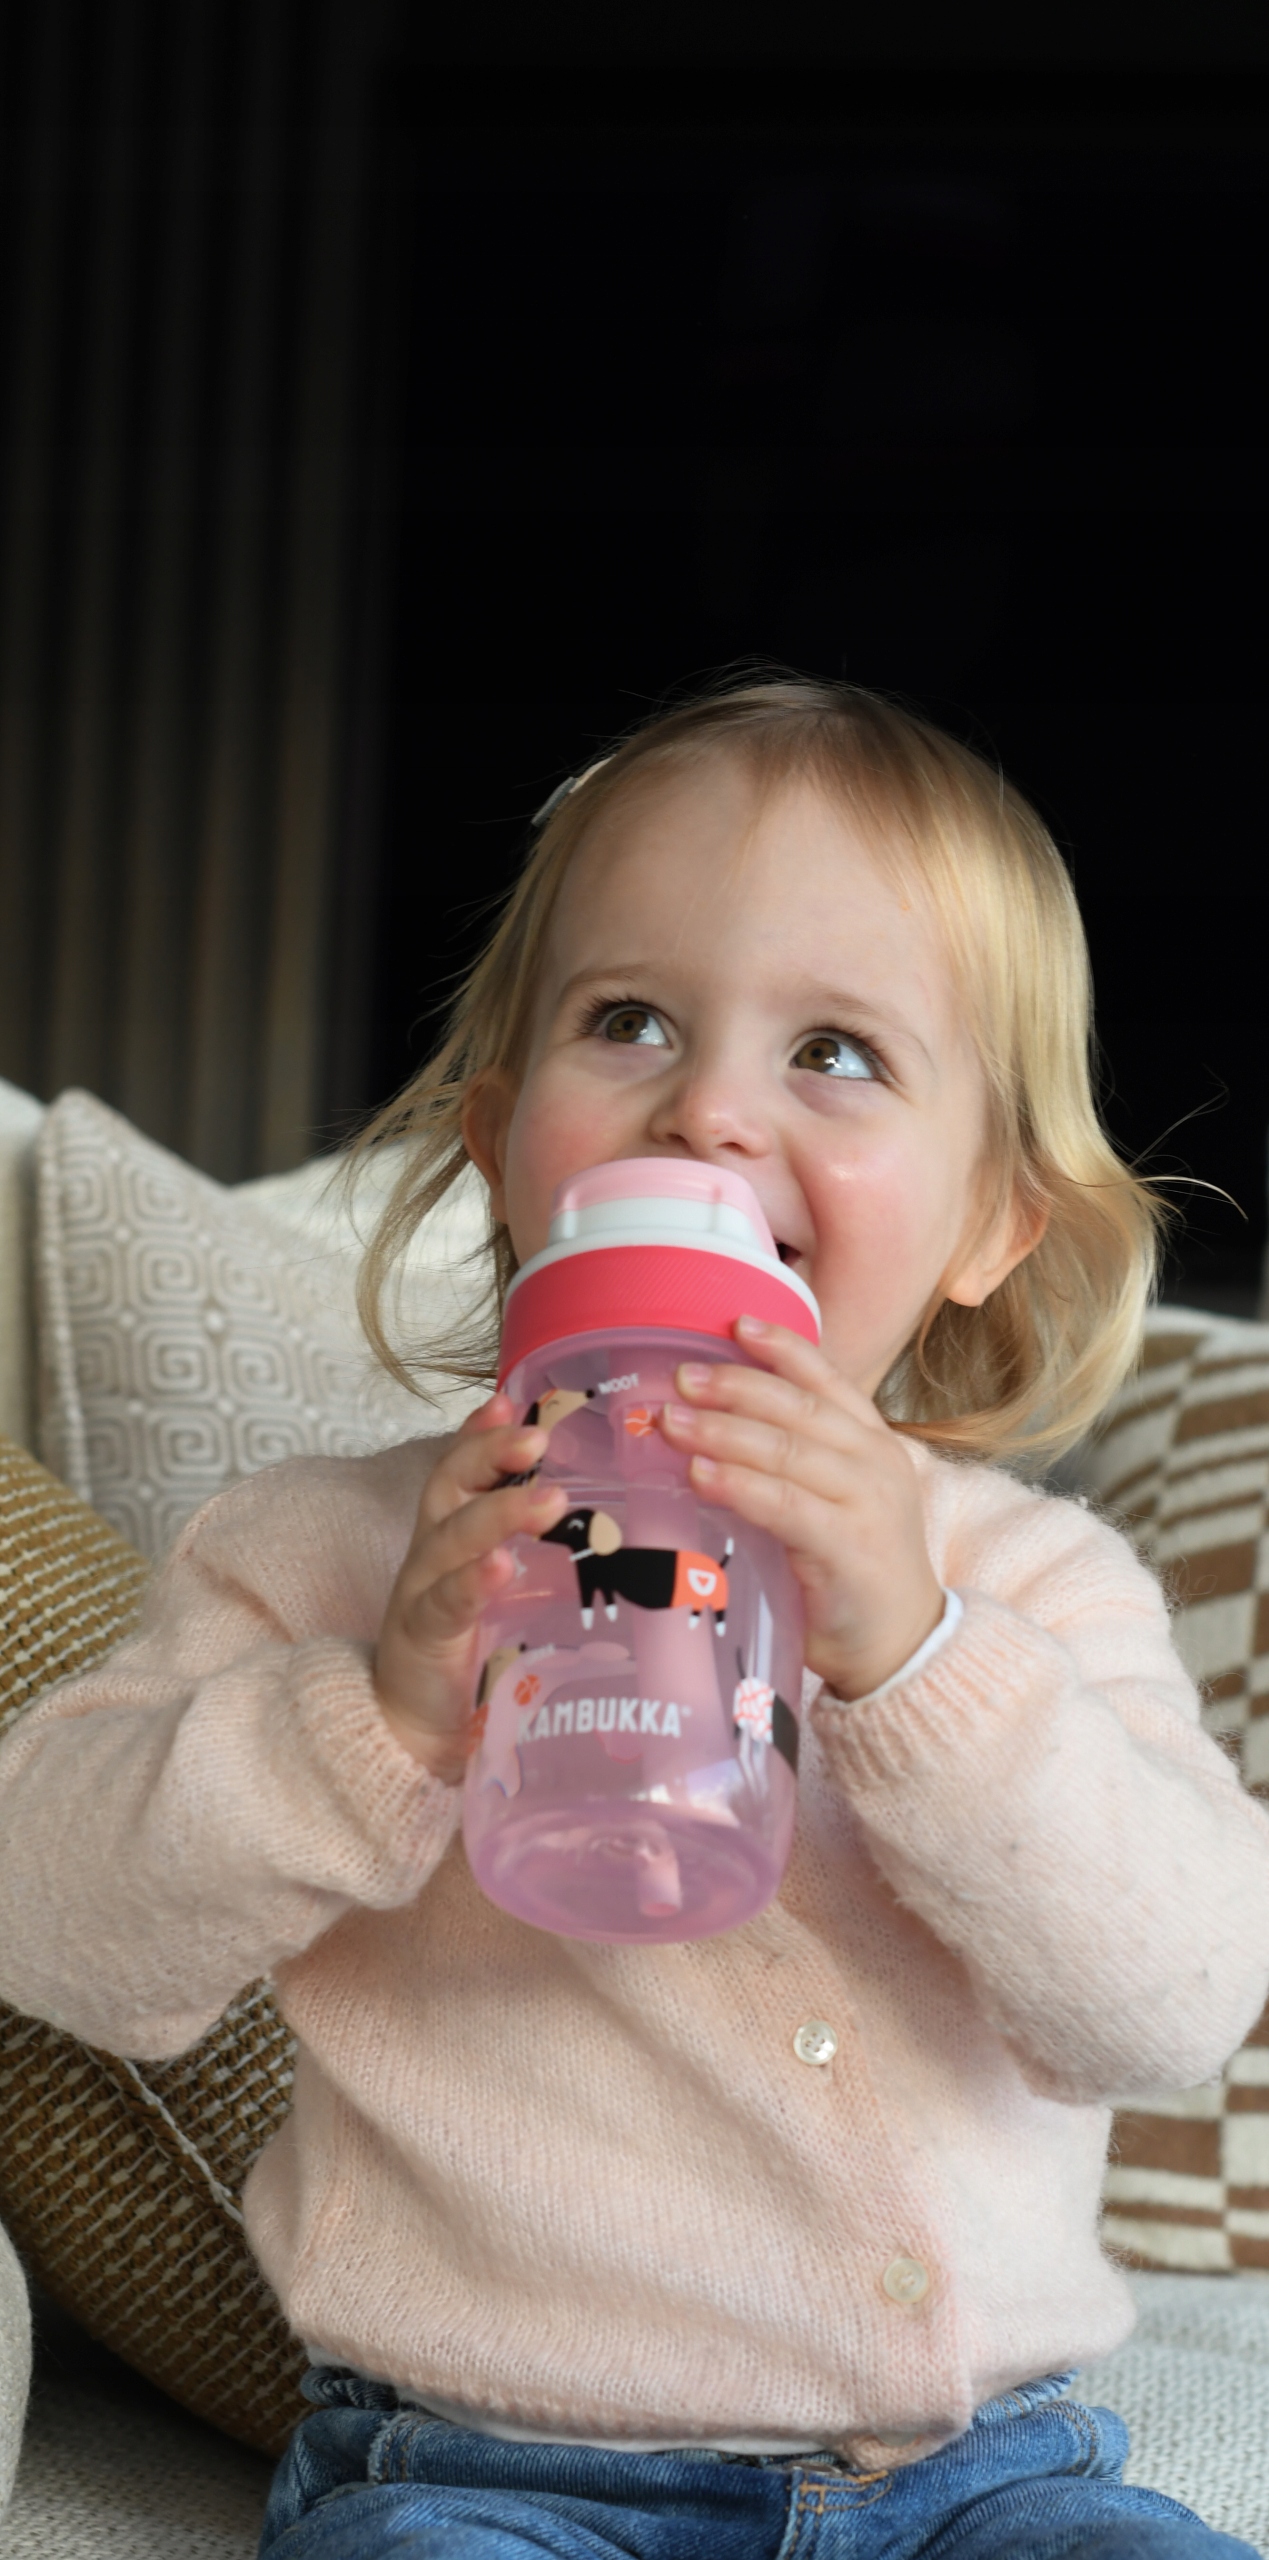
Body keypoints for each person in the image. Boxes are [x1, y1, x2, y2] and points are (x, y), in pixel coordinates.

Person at [2, 679, 1267, 2560]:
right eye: (629, 1021)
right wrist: (374, 1713)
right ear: (500, 1140)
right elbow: (52, 1928)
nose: (709, 1110)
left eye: (834, 1049)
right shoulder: (338, 1556)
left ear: (988, 1221)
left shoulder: (1023, 1586)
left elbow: (1169, 2005)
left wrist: (918, 1659)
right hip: (479, 2472)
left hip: (965, 2481)